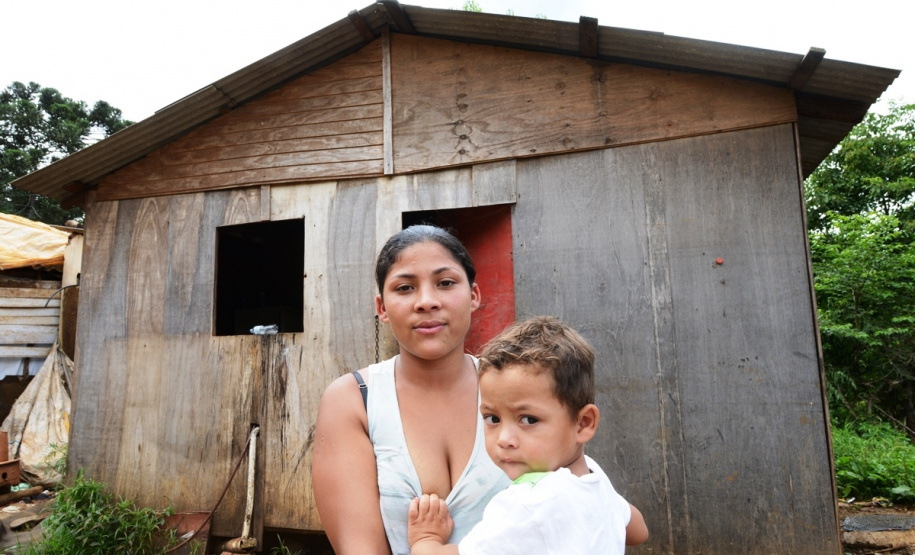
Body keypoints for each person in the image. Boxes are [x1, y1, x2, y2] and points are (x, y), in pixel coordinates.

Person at [312, 225, 512, 555]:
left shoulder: (516, 391)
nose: (426, 301)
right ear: (382, 308)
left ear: (474, 295)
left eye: (446, 283)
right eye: (405, 288)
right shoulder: (354, 401)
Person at [408, 316, 649, 554]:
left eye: (528, 420)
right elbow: (639, 531)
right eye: (493, 419)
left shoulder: (526, 503)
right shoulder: (593, 479)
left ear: (583, 424)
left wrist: (426, 539)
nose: (504, 439)